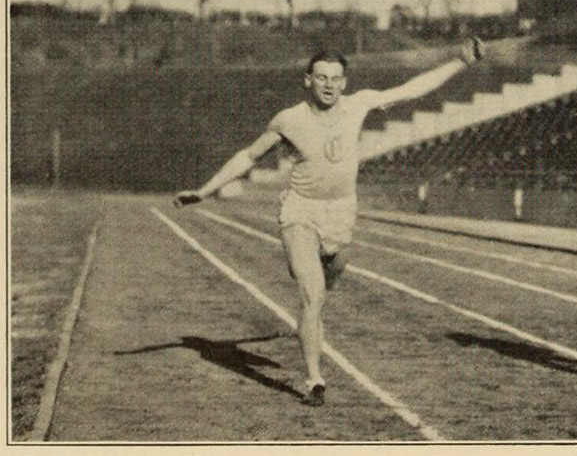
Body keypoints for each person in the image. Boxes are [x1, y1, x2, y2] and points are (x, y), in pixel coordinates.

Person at [174, 37, 483, 406]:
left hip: (340, 213)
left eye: (336, 78)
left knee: (328, 281)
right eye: (321, 77)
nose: (329, 85)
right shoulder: (289, 119)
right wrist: (205, 190)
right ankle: (314, 380)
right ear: (308, 80)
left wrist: (461, 61)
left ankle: (314, 315)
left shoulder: (358, 105)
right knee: (311, 295)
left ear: (345, 83)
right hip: (300, 211)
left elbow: (411, 90)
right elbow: (248, 156)